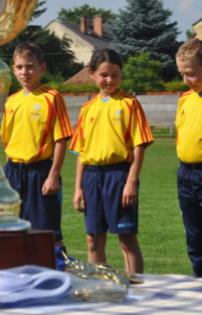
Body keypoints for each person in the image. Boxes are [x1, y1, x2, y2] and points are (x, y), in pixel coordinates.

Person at [71, 49, 152, 274]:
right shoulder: (87, 109)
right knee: (93, 239)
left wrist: (131, 182)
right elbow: (81, 153)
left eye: (115, 74)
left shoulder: (130, 104)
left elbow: (139, 145)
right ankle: (100, 288)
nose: (110, 80)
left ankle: (136, 289)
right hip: (91, 178)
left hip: (119, 176)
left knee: (126, 239)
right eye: (104, 75)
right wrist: (78, 188)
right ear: (92, 74)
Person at [1, 42, 72, 248]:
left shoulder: (52, 98)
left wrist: (53, 176)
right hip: (13, 173)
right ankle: (22, 276)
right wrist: (6, 175)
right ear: (13, 70)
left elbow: (60, 140)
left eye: (30, 66)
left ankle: (58, 276)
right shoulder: (10, 101)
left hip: (40, 173)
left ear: (42, 68)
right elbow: (8, 141)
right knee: (13, 231)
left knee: (48, 233)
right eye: (20, 67)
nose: (25, 72)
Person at [175, 37, 202, 276]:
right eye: (182, 73)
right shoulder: (184, 99)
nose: (186, 80)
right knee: (194, 241)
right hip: (185, 174)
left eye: (190, 73)